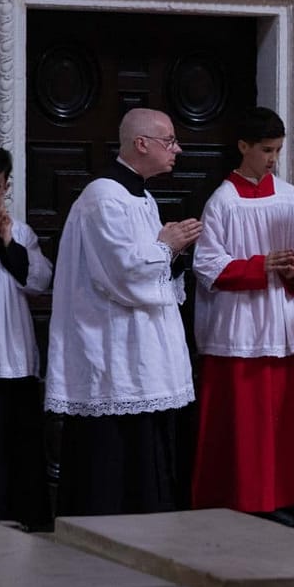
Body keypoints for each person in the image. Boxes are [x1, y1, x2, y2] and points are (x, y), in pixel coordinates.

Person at [45, 108, 201, 516]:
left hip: (140, 349)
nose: (178, 149)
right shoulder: (103, 197)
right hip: (112, 349)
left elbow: (149, 269)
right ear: (141, 143)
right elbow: (121, 275)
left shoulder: (141, 197)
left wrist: (174, 255)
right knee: (112, 462)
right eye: (170, 140)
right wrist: (167, 246)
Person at [191, 107, 294, 520]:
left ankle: (284, 498)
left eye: (278, 150)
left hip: (279, 322)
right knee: (244, 421)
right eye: (266, 150)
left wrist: (293, 269)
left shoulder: (289, 197)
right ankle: (241, 501)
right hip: (238, 325)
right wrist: (259, 265)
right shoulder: (222, 201)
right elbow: (207, 266)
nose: (273, 159)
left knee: (283, 418)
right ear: (243, 146)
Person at [0, 145, 52, 529]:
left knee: (17, 442)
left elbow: (40, 281)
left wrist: (8, 244)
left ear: (7, 186)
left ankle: (21, 516)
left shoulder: (22, 232)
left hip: (13, 354)